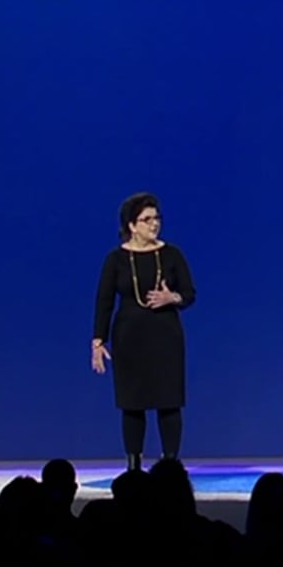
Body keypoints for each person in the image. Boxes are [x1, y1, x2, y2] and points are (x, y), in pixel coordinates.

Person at [92, 192, 197, 470]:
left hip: (166, 337)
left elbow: (189, 293)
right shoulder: (116, 259)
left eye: (157, 218)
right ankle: (134, 467)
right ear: (131, 225)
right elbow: (104, 302)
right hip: (129, 339)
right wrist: (98, 341)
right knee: (133, 403)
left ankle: (171, 465)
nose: (154, 224)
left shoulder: (171, 255)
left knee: (169, 401)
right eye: (147, 219)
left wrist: (172, 297)